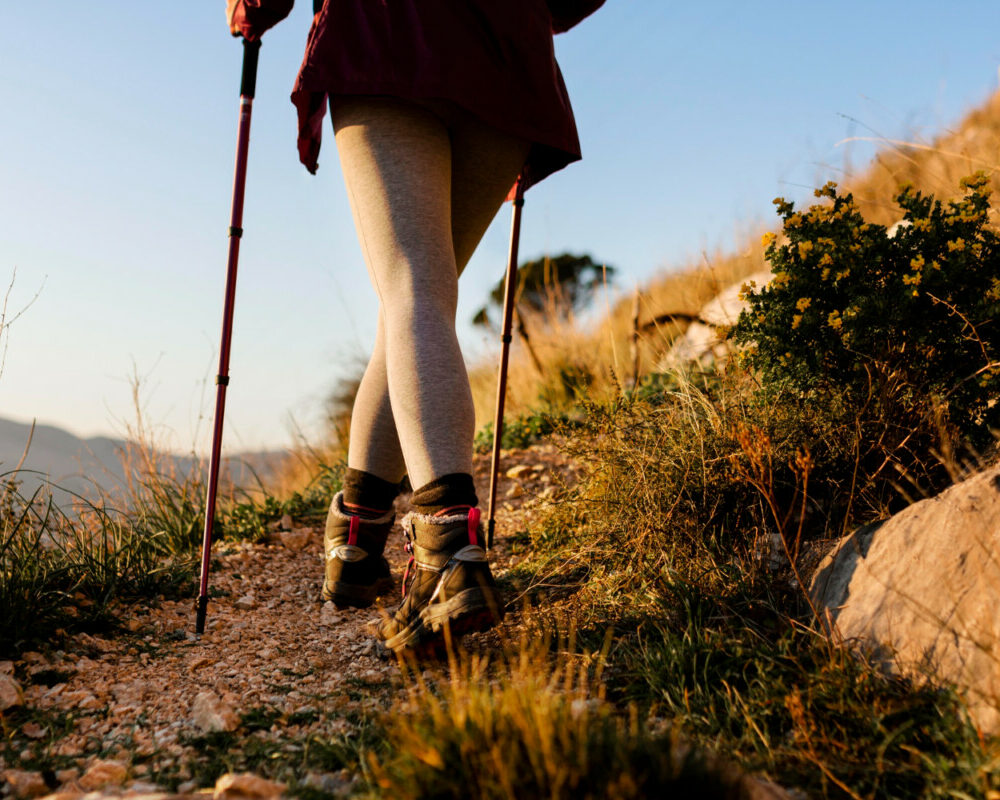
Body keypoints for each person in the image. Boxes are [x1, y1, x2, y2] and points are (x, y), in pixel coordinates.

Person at [226, 0, 603, 653]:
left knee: (413, 290)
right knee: (419, 298)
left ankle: (449, 554)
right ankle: (356, 541)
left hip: (388, 31)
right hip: (506, 52)